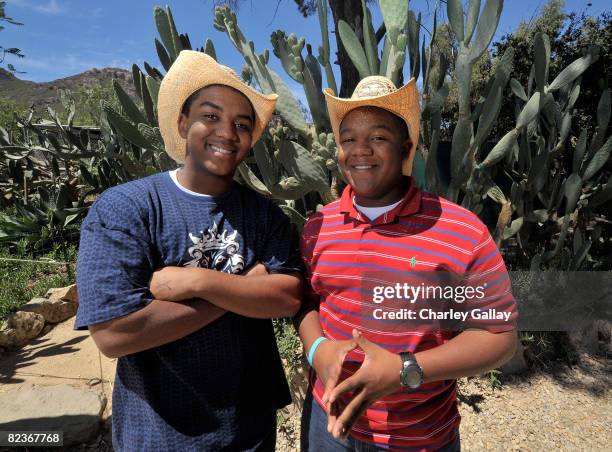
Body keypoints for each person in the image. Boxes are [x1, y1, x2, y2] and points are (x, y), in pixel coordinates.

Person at [75, 50, 303, 451]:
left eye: (242, 124)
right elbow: (113, 333)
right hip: (159, 435)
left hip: (251, 431)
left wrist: (198, 280)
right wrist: (242, 289)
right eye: (211, 116)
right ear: (183, 123)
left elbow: (287, 297)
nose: (227, 132)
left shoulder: (265, 214)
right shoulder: (127, 207)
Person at [296, 76, 518, 451]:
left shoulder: (461, 230)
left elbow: (499, 337)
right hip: (327, 424)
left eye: (378, 138)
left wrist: (404, 370)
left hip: (418, 437)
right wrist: (318, 350)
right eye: (349, 139)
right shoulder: (318, 227)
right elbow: (305, 303)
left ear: (406, 148)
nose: (360, 150)